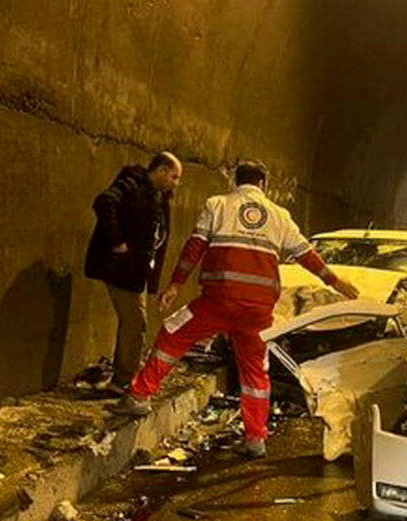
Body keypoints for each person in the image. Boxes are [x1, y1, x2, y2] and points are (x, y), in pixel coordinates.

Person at [109, 160, 358, 458]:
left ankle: (139, 395)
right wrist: (335, 281)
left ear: (234, 181)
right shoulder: (280, 216)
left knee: (172, 334)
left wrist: (175, 284)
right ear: (263, 184)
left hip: (217, 301)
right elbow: (307, 255)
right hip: (258, 311)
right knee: (255, 372)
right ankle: (255, 439)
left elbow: (194, 248)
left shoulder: (217, 205)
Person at [85, 152, 182, 395]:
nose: (176, 182)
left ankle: (125, 377)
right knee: (135, 323)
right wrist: (118, 242)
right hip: (122, 269)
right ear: (160, 171)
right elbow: (104, 202)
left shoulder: (158, 196)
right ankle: (122, 381)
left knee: (135, 323)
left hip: (136, 271)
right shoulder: (132, 185)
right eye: (174, 176)